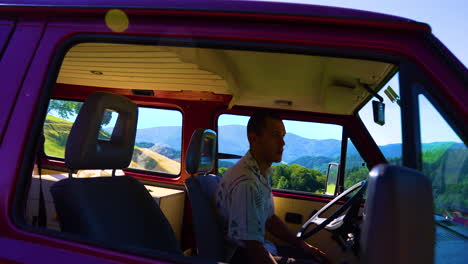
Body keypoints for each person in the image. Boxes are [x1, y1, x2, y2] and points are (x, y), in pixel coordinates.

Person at [215, 111, 330, 264]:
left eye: (283, 136)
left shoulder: (261, 173)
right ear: (254, 138)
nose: (283, 143)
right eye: (275, 135)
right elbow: (252, 248)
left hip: (261, 248)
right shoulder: (246, 183)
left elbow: (269, 219)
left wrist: (303, 245)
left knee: (313, 257)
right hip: (241, 256)